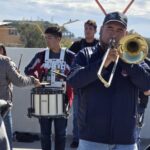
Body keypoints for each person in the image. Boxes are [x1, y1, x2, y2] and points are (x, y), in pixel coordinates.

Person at [67, 11, 150, 150]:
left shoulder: (134, 57)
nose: (114, 34)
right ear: (101, 30)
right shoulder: (86, 54)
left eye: (119, 30)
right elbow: (73, 81)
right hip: (91, 137)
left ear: (126, 34)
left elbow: (147, 84)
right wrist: (102, 63)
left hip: (126, 139)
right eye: (110, 28)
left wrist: (128, 62)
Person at [24, 26, 75, 150]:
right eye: (45, 38)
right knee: (45, 134)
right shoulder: (40, 55)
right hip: (44, 98)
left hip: (64, 98)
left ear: (58, 39)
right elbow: (28, 70)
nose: (47, 40)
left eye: (50, 38)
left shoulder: (70, 56)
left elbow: (77, 73)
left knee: (61, 134)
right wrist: (35, 78)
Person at [0, 54, 40, 150]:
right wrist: (33, 80)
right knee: (5, 143)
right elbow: (19, 81)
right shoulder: (4, 61)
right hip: (2, 108)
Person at [69, 19, 99, 148]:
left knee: (95, 113)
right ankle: (77, 139)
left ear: (95, 31)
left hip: (96, 87)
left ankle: (94, 138)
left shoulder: (100, 45)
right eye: (86, 28)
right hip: (79, 87)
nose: (87, 31)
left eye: (90, 29)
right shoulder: (76, 45)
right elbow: (68, 60)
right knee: (77, 115)